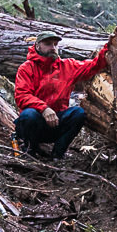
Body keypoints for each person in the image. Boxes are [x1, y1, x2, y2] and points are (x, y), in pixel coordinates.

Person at [13, 30, 110, 159]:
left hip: (56, 123)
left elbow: (93, 66)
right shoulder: (27, 68)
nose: (53, 48)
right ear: (37, 46)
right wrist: (44, 109)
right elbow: (22, 96)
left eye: (55, 44)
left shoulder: (68, 66)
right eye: (48, 44)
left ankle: (57, 155)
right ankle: (30, 151)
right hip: (35, 125)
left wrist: (109, 45)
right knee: (28, 115)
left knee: (78, 113)